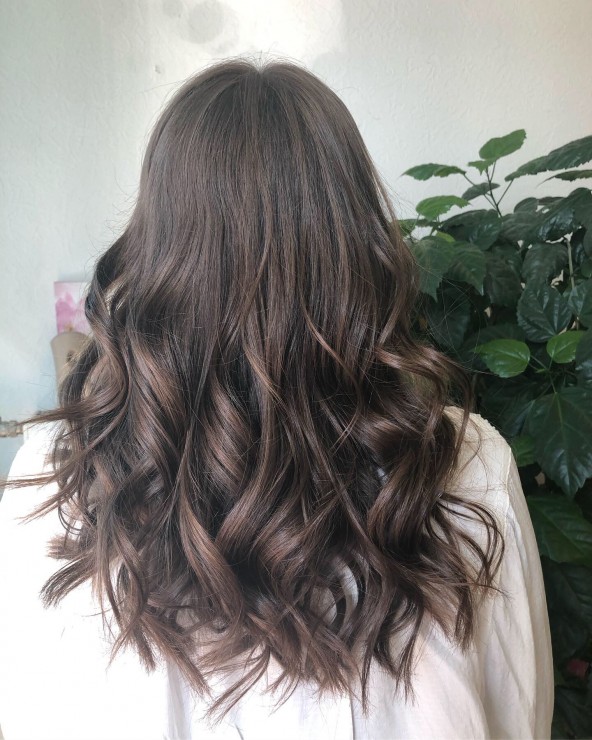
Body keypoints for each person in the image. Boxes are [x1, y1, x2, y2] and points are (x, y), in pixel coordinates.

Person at [0, 58, 553, 739]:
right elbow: (520, 712)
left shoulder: (53, 480)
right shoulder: (465, 466)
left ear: (158, 245)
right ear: (357, 244)